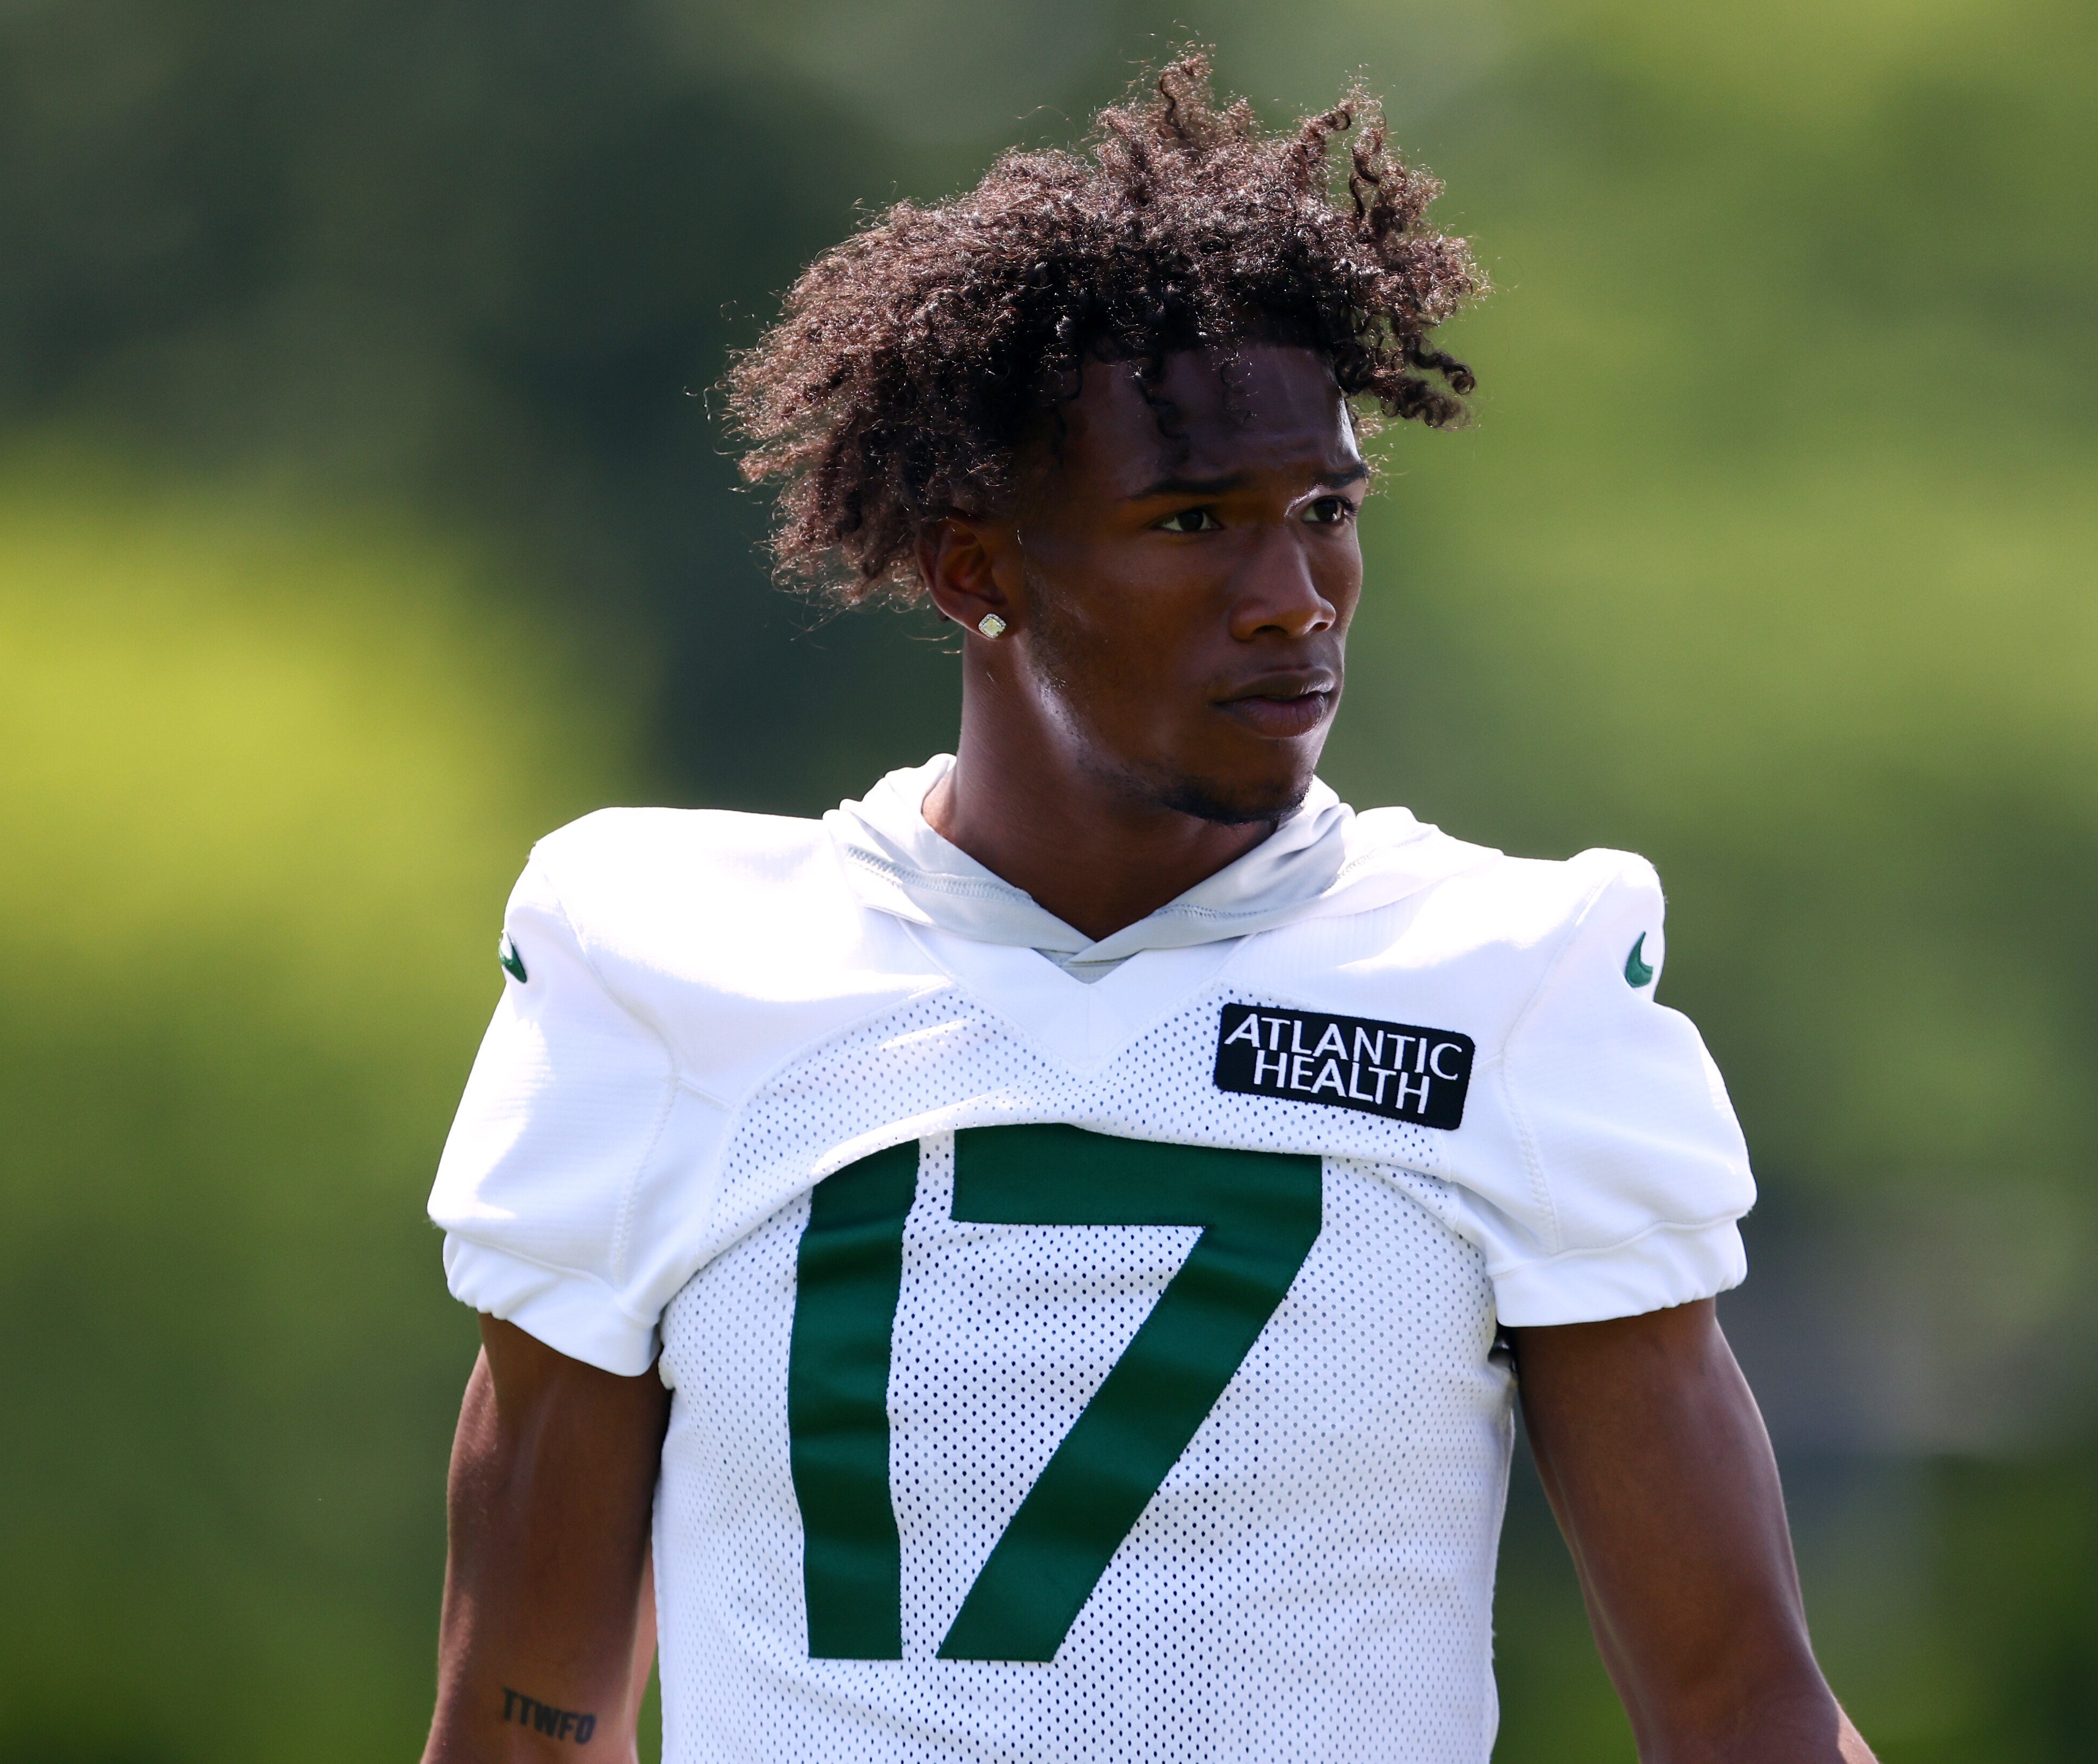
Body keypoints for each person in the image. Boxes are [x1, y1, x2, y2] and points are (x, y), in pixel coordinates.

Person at [420, 53, 1875, 1764]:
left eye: (1324, 513)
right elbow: (522, 1721)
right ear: (978, 571)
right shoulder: (673, 966)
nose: (1292, 601)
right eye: (1194, 522)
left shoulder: (1505, 985)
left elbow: (1745, 1713)